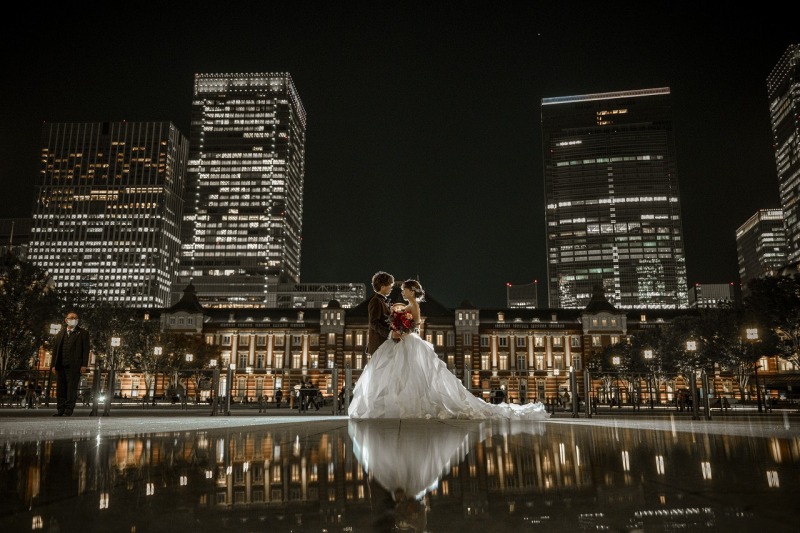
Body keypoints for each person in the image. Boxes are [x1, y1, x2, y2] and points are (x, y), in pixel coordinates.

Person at [349, 279, 549, 420]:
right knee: (408, 375)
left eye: (404, 289)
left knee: (414, 375)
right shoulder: (403, 305)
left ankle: (406, 405)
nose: (401, 292)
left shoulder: (413, 307)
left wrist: (400, 326)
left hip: (408, 340)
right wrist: (397, 322)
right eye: (399, 289)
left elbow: (412, 324)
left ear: (412, 291)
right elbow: (399, 319)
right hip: (405, 341)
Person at [50, 311, 90, 417]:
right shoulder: (60, 333)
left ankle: (68, 410)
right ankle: (60, 409)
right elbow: (55, 350)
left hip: (75, 366)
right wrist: (53, 365)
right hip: (61, 365)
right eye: (71, 318)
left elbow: (86, 350)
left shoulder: (83, 333)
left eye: (76, 318)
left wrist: (84, 365)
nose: (74, 320)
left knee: (71, 388)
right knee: (60, 388)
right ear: (66, 320)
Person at [366, 271, 398, 358]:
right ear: (383, 286)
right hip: (379, 345)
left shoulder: (381, 300)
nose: (391, 288)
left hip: (383, 345)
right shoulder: (376, 301)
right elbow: (373, 323)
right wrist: (390, 333)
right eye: (390, 286)